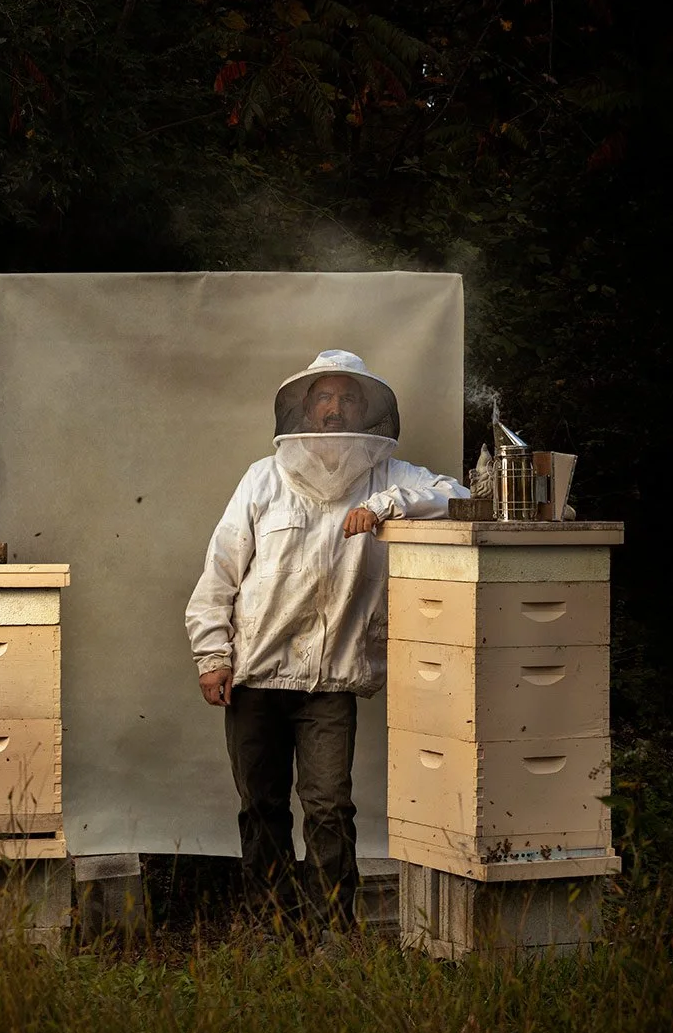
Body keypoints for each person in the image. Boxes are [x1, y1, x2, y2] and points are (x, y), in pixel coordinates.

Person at [184, 350, 469, 939]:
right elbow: (219, 572)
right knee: (261, 808)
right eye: (324, 397)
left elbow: (458, 494)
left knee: (329, 809)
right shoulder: (263, 477)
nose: (335, 408)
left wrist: (385, 507)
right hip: (256, 673)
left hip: (329, 680)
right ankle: (271, 930)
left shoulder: (387, 476)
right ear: (305, 408)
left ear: (366, 411)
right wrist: (213, 654)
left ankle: (333, 934)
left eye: (348, 399)